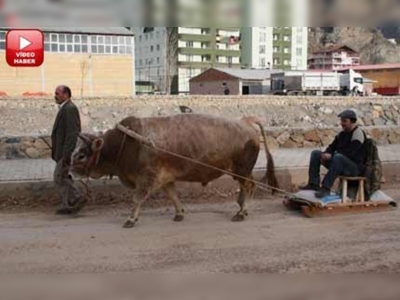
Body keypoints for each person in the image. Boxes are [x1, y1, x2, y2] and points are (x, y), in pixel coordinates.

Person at [299, 110, 367, 198]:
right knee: (316, 154)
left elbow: (351, 153)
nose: (342, 123)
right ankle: (313, 184)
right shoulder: (342, 134)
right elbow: (332, 147)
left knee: (338, 157)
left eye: (344, 121)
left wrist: (332, 156)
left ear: (352, 121)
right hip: (339, 163)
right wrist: (326, 153)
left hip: (354, 168)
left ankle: (326, 188)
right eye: (341, 121)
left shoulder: (358, 134)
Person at [52, 85, 86, 214]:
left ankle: (76, 197)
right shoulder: (65, 108)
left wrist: (67, 154)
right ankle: (68, 204)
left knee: (59, 176)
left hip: (65, 152)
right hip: (62, 151)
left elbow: (72, 133)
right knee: (63, 176)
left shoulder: (69, 109)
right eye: (55, 93)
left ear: (66, 95)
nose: (55, 95)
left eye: (58, 93)